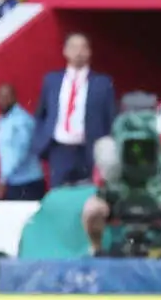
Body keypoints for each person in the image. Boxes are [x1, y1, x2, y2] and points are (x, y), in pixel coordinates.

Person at [30, 33, 116, 187]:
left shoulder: (102, 83)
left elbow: (111, 118)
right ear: (65, 51)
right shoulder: (52, 81)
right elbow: (40, 114)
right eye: (74, 47)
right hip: (59, 150)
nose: (78, 52)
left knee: (92, 193)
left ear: (89, 52)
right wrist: (40, 141)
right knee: (58, 194)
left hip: (90, 150)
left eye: (83, 47)